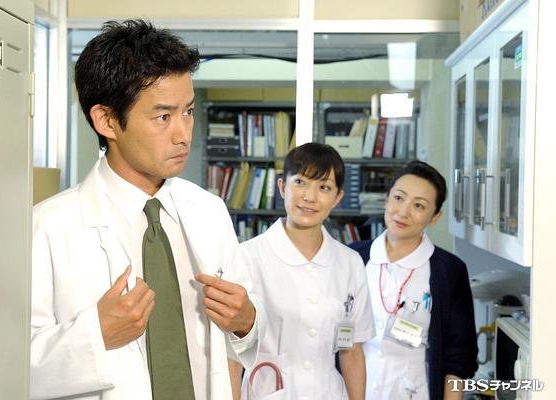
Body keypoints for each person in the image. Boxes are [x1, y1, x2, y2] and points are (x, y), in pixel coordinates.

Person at [30, 20, 266, 400]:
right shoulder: (48, 227)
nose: (183, 134)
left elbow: (242, 339)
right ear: (107, 120)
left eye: (188, 111)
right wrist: (96, 334)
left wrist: (246, 322)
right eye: (163, 117)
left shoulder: (209, 211)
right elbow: (12, 366)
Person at [229, 143, 375, 400]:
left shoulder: (350, 263)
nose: (310, 196)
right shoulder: (247, 257)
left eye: (324, 187)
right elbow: (232, 355)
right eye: (300, 182)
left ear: (337, 197)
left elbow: (351, 351)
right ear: (282, 187)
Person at [349, 160, 477, 400]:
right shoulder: (353, 257)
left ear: (435, 217)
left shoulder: (449, 271)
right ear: (386, 200)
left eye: (419, 205)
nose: (403, 212)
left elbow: (459, 359)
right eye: (398, 198)